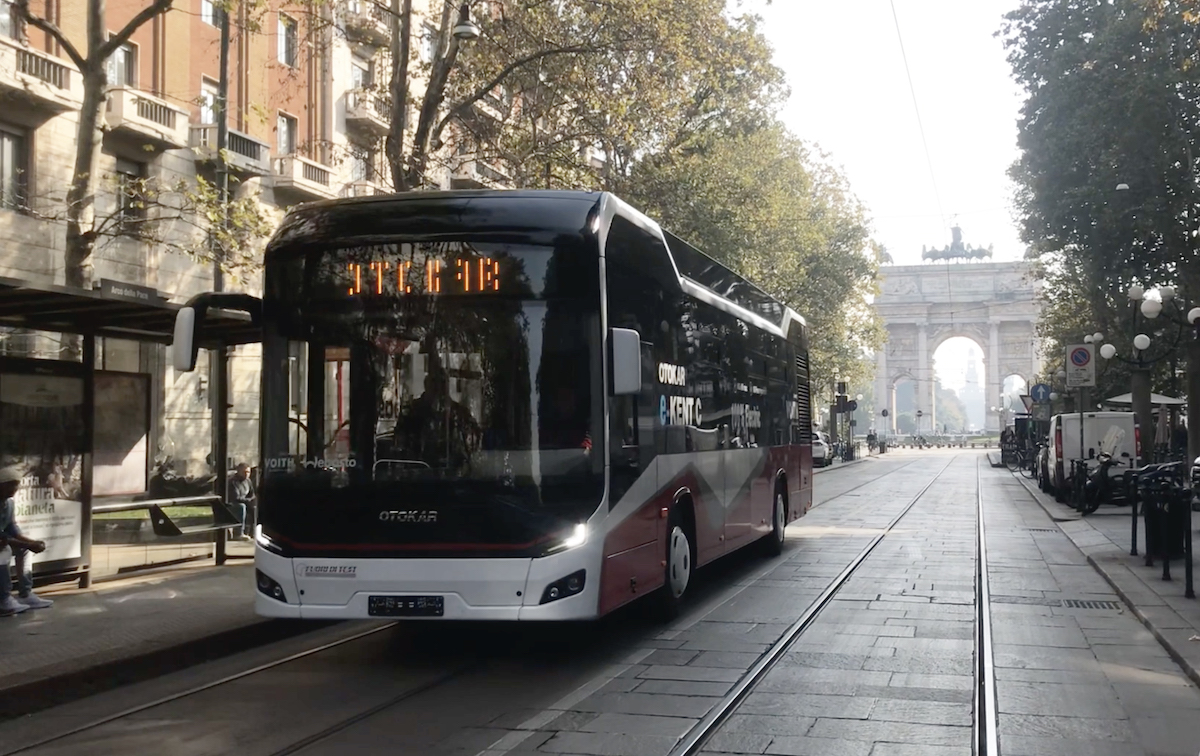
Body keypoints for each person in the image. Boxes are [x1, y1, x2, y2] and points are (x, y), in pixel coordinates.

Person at [0, 466, 53, 617]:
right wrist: (28, 544)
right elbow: (2, 537)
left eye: (16, 485)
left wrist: (31, 542)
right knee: (2, 553)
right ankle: (3, 599)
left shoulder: (9, 503)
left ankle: (25, 594)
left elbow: (11, 527)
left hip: (3, 540)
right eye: (10, 484)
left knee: (23, 551)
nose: (14, 489)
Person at [227, 463, 255, 540]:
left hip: (245, 502)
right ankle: (238, 533)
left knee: (255, 507)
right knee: (241, 507)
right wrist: (249, 501)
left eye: (248, 472)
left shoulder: (248, 481)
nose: (246, 474)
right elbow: (235, 498)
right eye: (244, 472)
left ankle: (253, 532)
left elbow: (251, 494)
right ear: (238, 471)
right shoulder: (232, 482)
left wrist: (252, 501)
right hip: (231, 505)